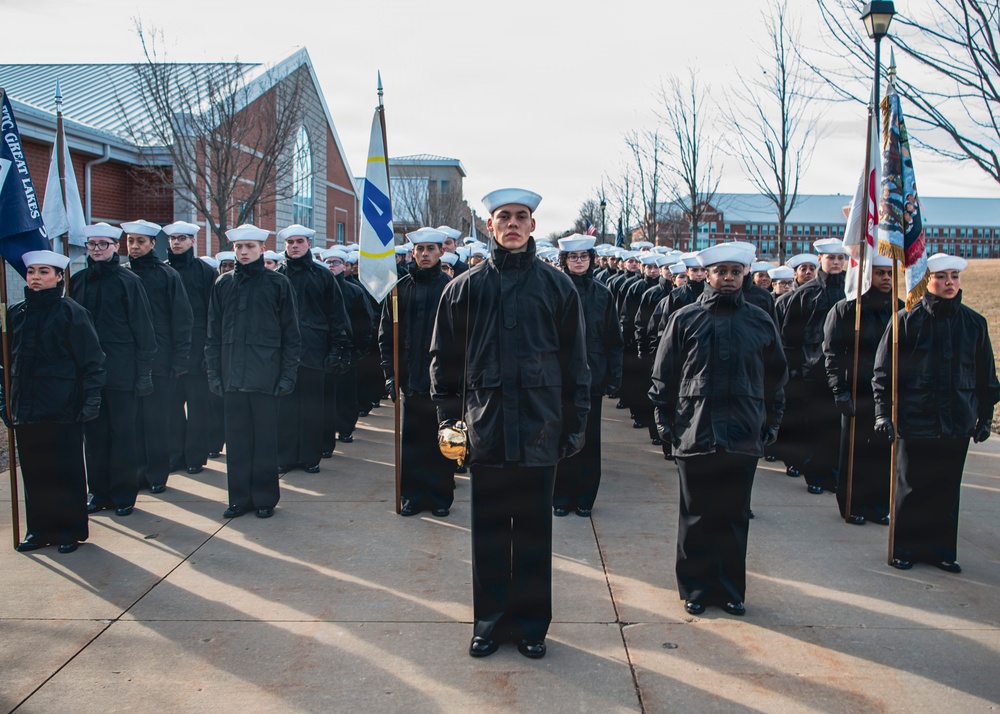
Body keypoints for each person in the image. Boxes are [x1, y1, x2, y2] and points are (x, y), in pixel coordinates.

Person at [430, 188, 590, 660]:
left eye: (522, 217)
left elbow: (575, 363)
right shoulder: (464, 288)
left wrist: (575, 424)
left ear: (534, 226)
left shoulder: (557, 287)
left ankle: (532, 626)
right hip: (487, 429)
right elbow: (444, 360)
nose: (513, 224)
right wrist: (448, 421)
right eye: (504, 217)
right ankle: (489, 623)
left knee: (535, 537)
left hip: (541, 430)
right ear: (489, 225)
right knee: (490, 533)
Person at [650, 244, 786, 617]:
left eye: (735, 272)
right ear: (706, 274)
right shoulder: (685, 319)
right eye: (720, 271)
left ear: (744, 275)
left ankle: (729, 590)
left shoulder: (760, 320)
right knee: (696, 515)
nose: (728, 278)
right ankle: (696, 587)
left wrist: (771, 423)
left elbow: (776, 378)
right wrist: (665, 423)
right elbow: (664, 376)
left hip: (743, 433)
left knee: (732, 515)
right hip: (695, 431)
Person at [873, 253, 999, 572]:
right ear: (927, 281)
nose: (949, 283)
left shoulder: (974, 323)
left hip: (956, 421)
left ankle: (941, 550)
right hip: (915, 419)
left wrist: (984, 417)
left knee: (945, 490)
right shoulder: (905, 320)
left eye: (954, 277)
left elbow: (986, 376)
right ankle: (905, 549)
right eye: (941, 277)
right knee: (911, 488)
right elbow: (884, 374)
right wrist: (883, 414)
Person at [5, 250, 106, 554]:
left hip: (62, 406)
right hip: (27, 406)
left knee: (64, 471)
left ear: (60, 276)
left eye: (43, 272)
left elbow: (92, 361)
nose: (35, 278)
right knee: (35, 471)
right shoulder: (17, 313)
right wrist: (6, 401)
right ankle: (39, 529)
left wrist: (90, 401)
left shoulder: (71, 312)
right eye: (32, 271)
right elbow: (8, 362)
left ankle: (68, 530)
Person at [206, 224, 301, 519]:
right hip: (232, 378)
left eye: (250, 247)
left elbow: (291, 335)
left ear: (261, 248)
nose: (244, 252)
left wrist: (287, 375)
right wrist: (214, 375)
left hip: (266, 378)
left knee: (264, 442)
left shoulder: (277, 284)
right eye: (239, 247)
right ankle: (239, 499)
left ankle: (264, 498)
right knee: (236, 442)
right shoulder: (223, 284)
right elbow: (213, 335)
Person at [71, 222, 156, 517]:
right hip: (87, 375)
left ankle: (123, 495)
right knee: (94, 437)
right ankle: (99, 493)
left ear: (114, 248)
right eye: (92, 244)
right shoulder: (77, 281)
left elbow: (144, 330)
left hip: (121, 371)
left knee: (122, 435)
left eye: (103, 244)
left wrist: (143, 373)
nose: (96, 249)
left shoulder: (128, 281)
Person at [380, 228, 456, 517]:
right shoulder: (399, 289)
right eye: (420, 249)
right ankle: (411, 496)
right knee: (412, 443)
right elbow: (386, 336)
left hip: (443, 382)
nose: (425, 254)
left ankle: (439, 497)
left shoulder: (452, 288)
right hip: (410, 380)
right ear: (412, 252)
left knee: (440, 440)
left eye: (431, 249)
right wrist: (390, 373)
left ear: (441, 252)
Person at [823, 255, 899, 524]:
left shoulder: (900, 310)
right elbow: (832, 354)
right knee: (856, 451)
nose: (887, 279)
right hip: (857, 390)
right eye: (880, 274)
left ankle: (878, 506)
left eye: (890, 273)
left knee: (882, 452)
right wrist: (839, 391)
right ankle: (853, 504)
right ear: (868, 275)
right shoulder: (847, 310)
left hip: (888, 394)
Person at [552, 234, 623, 517]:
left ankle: (584, 498)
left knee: (588, 442)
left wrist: (614, 376)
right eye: (573, 257)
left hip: (592, 379)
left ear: (592, 260)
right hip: (558, 379)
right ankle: (560, 497)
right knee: (559, 437)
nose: (579, 261)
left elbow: (614, 340)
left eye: (584, 256)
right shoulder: (555, 290)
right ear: (565, 261)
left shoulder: (603, 294)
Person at [123, 219, 194, 494]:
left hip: (161, 360)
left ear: (153, 244)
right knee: (133, 421)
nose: (135, 246)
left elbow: (182, 320)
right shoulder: (123, 274)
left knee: (155, 420)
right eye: (131, 241)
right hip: (130, 360)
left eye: (141, 241)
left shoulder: (167, 275)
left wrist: (178, 360)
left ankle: (156, 474)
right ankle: (137, 471)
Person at [276, 224, 351, 474]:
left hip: (314, 351)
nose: (294, 246)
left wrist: (337, 351)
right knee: (284, 409)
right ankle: (285, 457)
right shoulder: (277, 276)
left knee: (311, 408)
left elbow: (337, 316)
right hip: (283, 354)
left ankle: (310, 457)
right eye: (290, 242)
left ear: (308, 244)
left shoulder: (323, 276)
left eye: (299, 241)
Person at [780, 239, 847, 494]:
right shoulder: (805, 295)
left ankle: (835, 475)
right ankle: (816, 476)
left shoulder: (851, 293)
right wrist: (795, 372)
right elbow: (790, 338)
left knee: (837, 429)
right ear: (821, 260)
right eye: (831, 258)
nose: (836, 263)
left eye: (840, 258)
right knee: (815, 426)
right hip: (813, 372)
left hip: (843, 372)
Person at [164, 221, 218, 475]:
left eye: (182, 238)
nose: (176, 242)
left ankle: (196, 456)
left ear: (193, 241)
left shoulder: (206, 272)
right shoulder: (161, 271)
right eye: (173, 238)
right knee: (172, 408)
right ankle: (176, 455)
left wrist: (209, 351)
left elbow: (213, 314)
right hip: (168, 352)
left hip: (198, 351)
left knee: (198, 408)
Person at [321, 247, 372, 447]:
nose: (331, 266)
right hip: (324, 350)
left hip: (348, 351)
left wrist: (358, 350)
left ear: (344, 266)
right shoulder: (320, 287)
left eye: (335, 263)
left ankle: (345, 428)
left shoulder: (354, 290)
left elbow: (364, 322)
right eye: (328, 262)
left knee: (346, 393)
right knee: (326, 396)